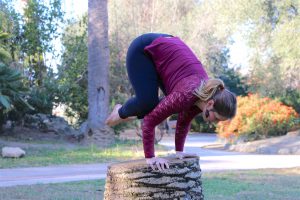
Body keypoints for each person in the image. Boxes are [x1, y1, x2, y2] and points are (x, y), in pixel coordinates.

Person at [106, 33, 237, 171]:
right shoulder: (186, 95)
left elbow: (183, 122)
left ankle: (129, 113)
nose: (215, 122)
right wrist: (151, 157)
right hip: (143, 49)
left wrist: (179, 152)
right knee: (147, 104)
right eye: (216, 118)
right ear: (210, 104)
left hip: (164, 52)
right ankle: (119, 111)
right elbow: (150, 121)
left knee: (163, 106)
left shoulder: (201, 98)